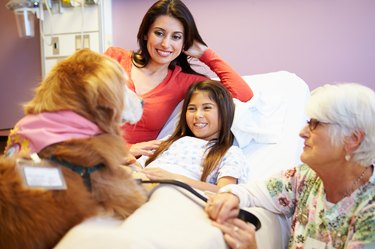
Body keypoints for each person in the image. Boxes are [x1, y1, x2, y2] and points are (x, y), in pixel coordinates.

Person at [205, 83, 375, 249]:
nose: (302, 132)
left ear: (353, 138)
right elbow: (250, 192)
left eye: (315, 124)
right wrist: (229, 197)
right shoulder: (304, 177)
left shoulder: (370, 212)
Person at [105, 0, 253, 158]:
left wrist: (206, 54)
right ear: (146, 33)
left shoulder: (185, 82)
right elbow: (80, 108)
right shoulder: (115, 58)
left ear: (185, 43)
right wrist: (125, 149)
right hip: (91, 152)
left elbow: (242, 94)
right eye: (159, 33)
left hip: (130, 166)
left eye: (176, 37)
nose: (165, 44)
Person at [137, 80, 248, 193]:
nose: (197, 115)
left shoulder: (230, 153)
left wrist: (175, 178)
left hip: (175, 191)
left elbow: (225, 191)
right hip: (140, 183)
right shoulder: (170, 140)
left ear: (225, 112)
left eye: (207, 108)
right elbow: (138, 165)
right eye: (192, 109)